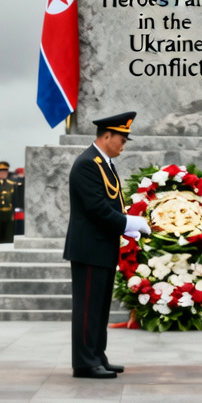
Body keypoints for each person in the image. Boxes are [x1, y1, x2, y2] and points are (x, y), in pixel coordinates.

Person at [64, 112, 146, 379]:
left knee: (99, 308)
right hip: (89, 248)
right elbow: (97, 208)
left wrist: (127, 226)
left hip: (102, 246)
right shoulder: (88, 164)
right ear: (107, 135)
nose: (124, 144)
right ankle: (85, 362)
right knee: (88, 307)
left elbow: (113, 204)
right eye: (121, 138)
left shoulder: (104, 162)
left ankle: (97, 355)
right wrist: (129, 224)